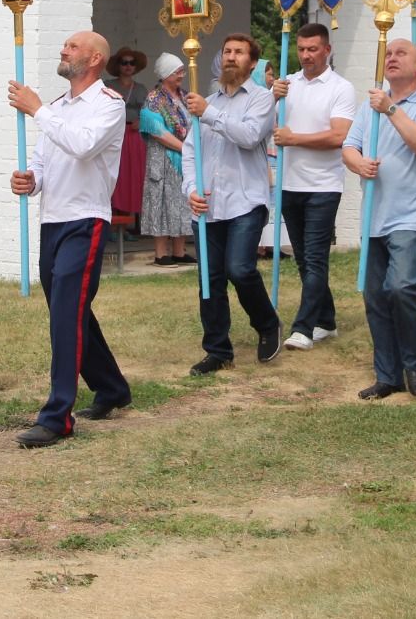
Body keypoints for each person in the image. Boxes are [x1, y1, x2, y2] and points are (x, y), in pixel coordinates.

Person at [7, 31, 133, 448]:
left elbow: (82, 146)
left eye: (72, 46)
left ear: (95, 58)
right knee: (70, 309)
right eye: (65, 46)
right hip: (53, 220)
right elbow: (45, 159)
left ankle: (58, 415)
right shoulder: (59, 107)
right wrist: (30, 179)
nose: (64, 50)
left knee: (65, 312)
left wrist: (37, 110)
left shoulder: (109, 105)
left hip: (86, 220)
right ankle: (111, 388)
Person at [343, 39, 416, 399]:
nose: (391, 58)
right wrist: (357, 162)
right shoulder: (367, 107)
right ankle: (387, 375)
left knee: (402, 286)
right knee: (376, 297)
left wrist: (390, 108)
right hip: (376, 214)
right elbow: (349, 147)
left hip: (414, 214)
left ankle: (415, 363)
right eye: (388, 54)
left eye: (401, 53)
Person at [183, 33, 283, 375]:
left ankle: (267, 323)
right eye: (227, 51)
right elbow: (190, 150)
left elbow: (249, 136)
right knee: (210, 279)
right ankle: (217, 349)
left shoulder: (260, 100)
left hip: (245, 200)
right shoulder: (206, 102)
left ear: (252, 63)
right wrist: (191, 188)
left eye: (239, 52)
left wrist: (209, 113)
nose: (231, 57)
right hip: (208, 205)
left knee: (240, 269)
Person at [271, 22, 355, 351]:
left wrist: (295, 139)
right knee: (304, 259)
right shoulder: (287, 83)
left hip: (323, 184)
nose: (306, 55)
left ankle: (303, 328)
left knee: (316, 257)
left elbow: (339, 136)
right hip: (290, 182)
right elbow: (268, 126)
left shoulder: (340, 87)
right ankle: (327, 320)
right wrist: (271, 97)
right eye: (302, 49)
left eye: (313, 49)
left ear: (327, 50)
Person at [139, 54, 193, 267]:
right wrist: (185, 148)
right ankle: (161, 254)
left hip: (183, 159)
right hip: (163, 159)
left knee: (181, 202)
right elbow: (157, 131)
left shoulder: (184, 96)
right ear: (165, 74)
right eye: (176, 71)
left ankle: (180, 251)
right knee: (161, 202)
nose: (181, 75)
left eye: (181, 71)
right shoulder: (154, 99)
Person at [106, 47, 149, 225]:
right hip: (115, 134)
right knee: (117, 174)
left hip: (134, 135)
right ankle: (115, 222)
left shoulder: (140, 89)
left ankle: (133, 222)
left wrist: (141, 120)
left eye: (132, 63)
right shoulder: (109, 86)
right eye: (124, 63)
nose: (128, 66)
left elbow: (148, 111)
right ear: (118, 66)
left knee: (135, 175)